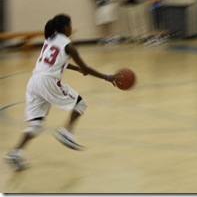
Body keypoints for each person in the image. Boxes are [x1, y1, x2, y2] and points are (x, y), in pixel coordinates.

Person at [4, 14, 120, 171]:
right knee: (81, 104)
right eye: (71, 25)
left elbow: (56, 60)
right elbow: (86, 69)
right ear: (66, 27)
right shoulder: (69, 45)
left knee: (36, 125)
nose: (72, 28)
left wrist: (75, 68)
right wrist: (107, 77)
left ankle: (15, 152)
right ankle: (66, 131)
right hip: (48, 81)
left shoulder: (49, 39)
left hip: (34, 82)